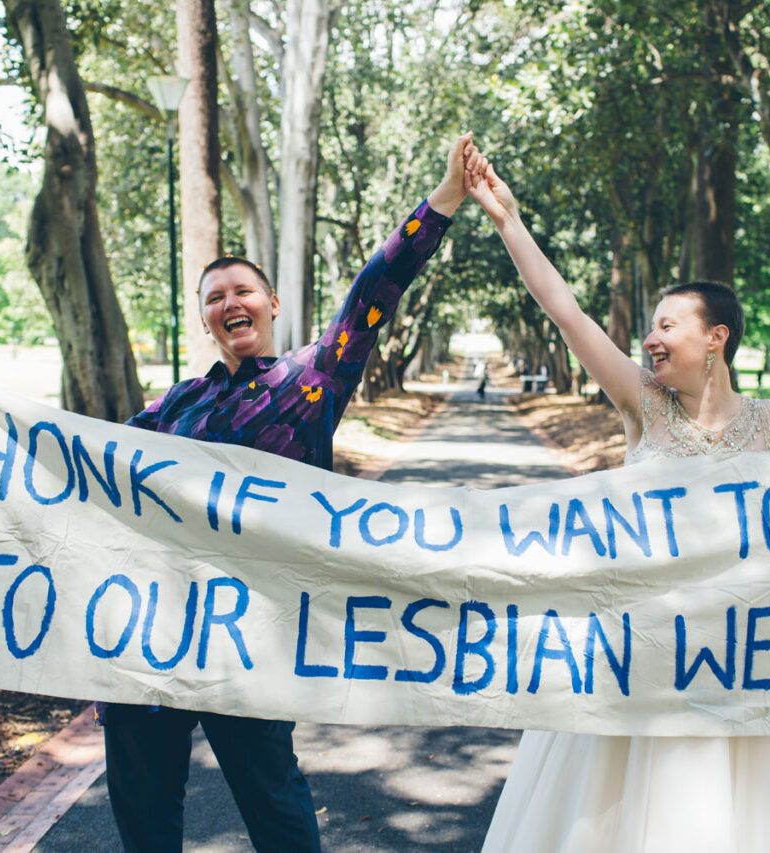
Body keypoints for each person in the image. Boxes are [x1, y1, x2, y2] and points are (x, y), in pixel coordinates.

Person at [465, 156, 770, 851]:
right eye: (650, 325)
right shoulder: (642, 405)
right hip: (635, 652)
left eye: (667, 324)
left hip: (741, 661)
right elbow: (565, 311)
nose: (650, 337)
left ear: (718, 337)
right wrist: (508, 218)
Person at [101, 132, 479, 853]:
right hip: (152, 629)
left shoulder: (312, 381)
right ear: (205, 318)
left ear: (270, 303)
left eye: (241, 290)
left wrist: (445, 199)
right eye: (215, 298)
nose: (229, 302)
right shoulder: (172, 406)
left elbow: (377, 288)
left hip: (251, 630)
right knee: (143, 812)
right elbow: (96, 468)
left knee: (273, 800)